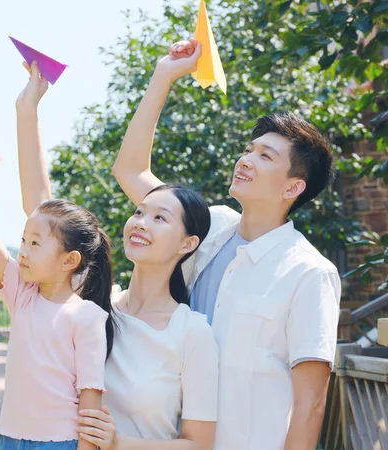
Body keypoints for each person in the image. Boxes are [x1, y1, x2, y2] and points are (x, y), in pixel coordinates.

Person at [111, 39, 341, 450]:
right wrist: (163, 75)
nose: (246, 159)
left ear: (293, 186)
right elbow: (130, 171)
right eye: (248, 149)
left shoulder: (308, 272)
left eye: (265, 156)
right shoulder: (211, 228)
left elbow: (310, 405)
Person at [16, 60, 219, 450]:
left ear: (187, 244)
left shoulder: (192, 333)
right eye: (139, 212)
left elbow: (198, 444)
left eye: (160, 217)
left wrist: (118, 443)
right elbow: (42, 211)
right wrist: (28, 110)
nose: (140, 222)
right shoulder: (95, 300)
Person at [0, 149, 115, 450]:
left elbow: (90, 400)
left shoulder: (86, 317)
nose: (23, 252)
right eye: (23, 240)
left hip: (61, 443)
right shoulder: (22, 294)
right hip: (10, 438)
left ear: (70, 260)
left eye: (35, 243)